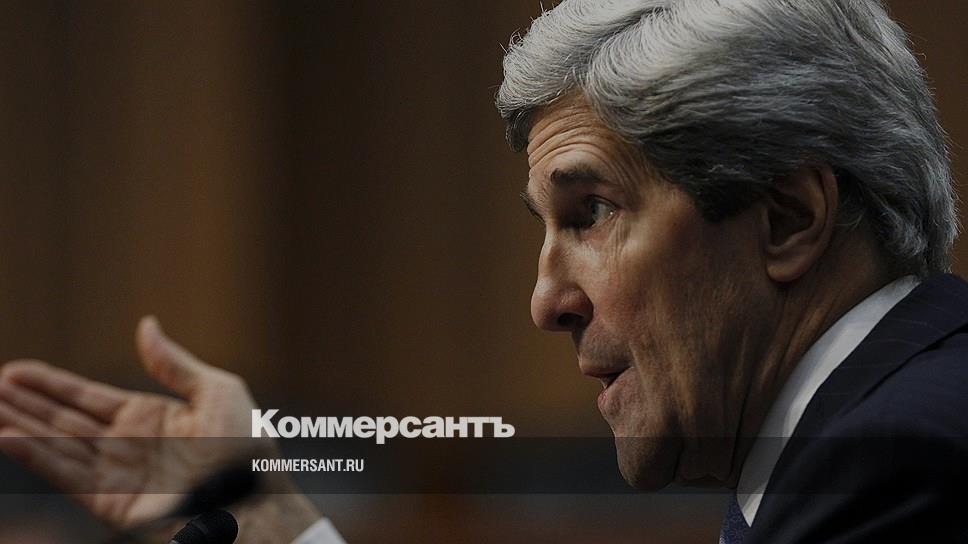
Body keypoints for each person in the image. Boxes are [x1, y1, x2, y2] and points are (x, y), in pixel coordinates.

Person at [1, 0, 965, 542]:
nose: (546, 300)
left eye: (592, 213)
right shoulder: (860, 430)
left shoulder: (892, 463)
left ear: (789, 217)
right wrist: (265, 516)